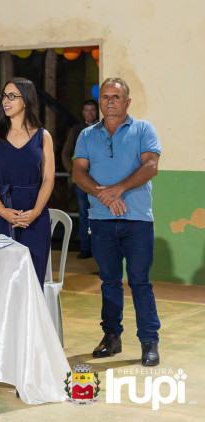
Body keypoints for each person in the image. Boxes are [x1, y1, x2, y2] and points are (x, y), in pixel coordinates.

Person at [73, 78, 161, 367]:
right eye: (105, 97)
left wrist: (118, 189)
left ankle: (149, 341)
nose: (110, 101)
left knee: (139, 281)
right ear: (100, 101)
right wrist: (104, 195)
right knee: (109, 281)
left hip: (137, 221)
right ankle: (111, 337)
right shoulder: (87, 135)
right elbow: (78, 172)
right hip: (101, 221)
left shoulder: (143, 129)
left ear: (127, 102)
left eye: (116, 96)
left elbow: (151, 166)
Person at [0, 78, 54, 289]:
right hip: (1, 212)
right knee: (0, 282)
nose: (6, 101)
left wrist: (36, 212)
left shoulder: (43, 136)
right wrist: (1, 210)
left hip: (35, 215)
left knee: (32, 280)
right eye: (4, 96)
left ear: (26, 101)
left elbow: (48, 179)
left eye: (12, 96)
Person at [62, 99, 98, 259]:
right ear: (83, 112)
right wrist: (73, 172)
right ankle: (85, 247)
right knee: (84, 214)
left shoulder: (104, 127)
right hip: (82, 181)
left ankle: (99, 249)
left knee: (100, 214)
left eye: (92, 110)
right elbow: (65, 154)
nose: (90, 113)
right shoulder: (77, 130)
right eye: (87, 110)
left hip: (100, 181)